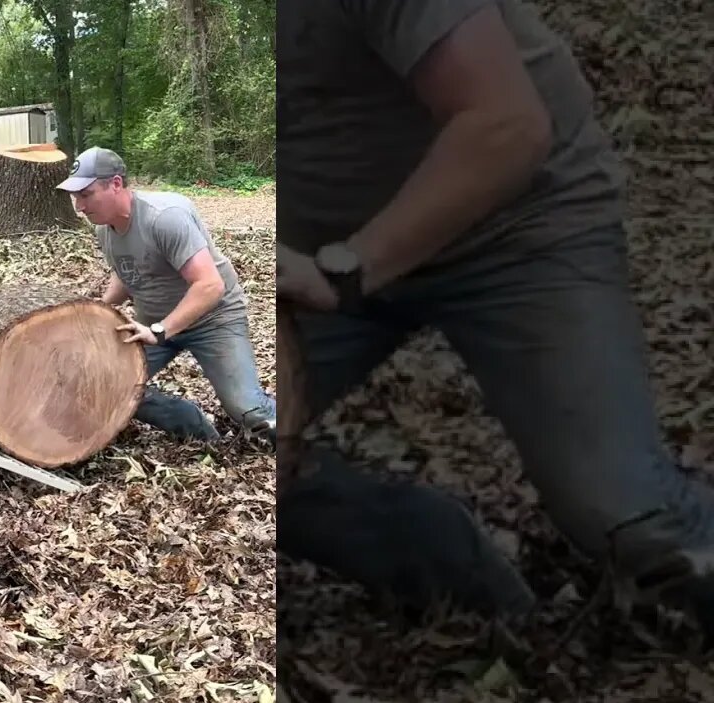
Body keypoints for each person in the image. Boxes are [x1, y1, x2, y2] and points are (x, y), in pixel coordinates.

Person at [276, 0, 714, 634]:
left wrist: (349, 269)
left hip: (519, 233)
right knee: (250, 446)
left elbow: (507, 124)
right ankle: (456, 576)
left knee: (631, 514)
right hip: (322, 259)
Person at [55, 146, 277, 447]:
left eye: (86, 194)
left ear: (116, 184)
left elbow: (210, 285)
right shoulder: (105, 229)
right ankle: (197, 430)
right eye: (76, 197)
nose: (79, 206)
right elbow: (128, 270)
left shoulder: (164, 218)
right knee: (110, 385)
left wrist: (160, 331)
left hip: (213, 320)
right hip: (153, 326)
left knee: (249, 410)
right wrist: (101, 307)